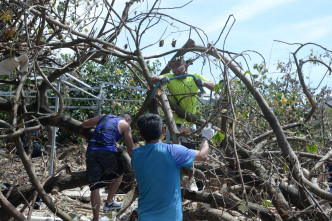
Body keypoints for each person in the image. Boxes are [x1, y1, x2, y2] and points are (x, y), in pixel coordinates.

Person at [131, 113, 215, 220]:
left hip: (145, 216)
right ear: (162, 130)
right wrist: (205, 138)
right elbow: (203, 156)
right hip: (171, 217)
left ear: (141, 134)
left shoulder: (135, 154)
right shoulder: (173, 151)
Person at [150, 56, 215, 191]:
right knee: (170, 152)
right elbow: (152, 79)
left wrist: (202, 83)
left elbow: (214, 86)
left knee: (190, 152)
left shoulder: (193, 76)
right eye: (174, 70)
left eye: (178, 69)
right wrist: (161, 80)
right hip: (173, 122)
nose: (176, 73)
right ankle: (173, 180)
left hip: (189, 122)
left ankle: (191, 180)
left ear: (185, 67)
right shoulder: (170, 76)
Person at [82, 113, 135, 221]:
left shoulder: (104, 116)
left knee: (95, 187)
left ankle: (95, 219)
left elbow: (85, 124)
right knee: (120, 172)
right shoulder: (125, 124)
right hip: (107, 151)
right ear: (127, 119)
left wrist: (97, 126)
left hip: (91, 151)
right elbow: (130, 148)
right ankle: (109, 202)